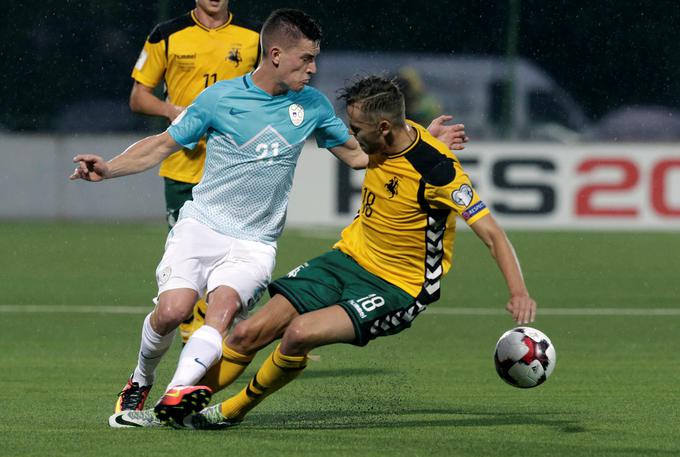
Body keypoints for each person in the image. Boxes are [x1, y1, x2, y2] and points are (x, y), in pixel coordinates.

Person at [70, 9, 468, 428]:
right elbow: (161, 145)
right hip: (201, 225)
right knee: (172, 312)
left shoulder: (311, 106)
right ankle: (141, 378)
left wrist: (416, 139)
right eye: (306, 59)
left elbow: (358, 155)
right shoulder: (219, 99)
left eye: (315, 59)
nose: (313, 69)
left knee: (220, 312)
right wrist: (109, 168)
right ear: (275, 54)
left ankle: (174, 399)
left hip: (254, 243)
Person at [117, 74, 537, 430]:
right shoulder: (383, 144)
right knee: (246, 333)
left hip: (400, 286)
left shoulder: (439, 170)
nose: (351, 136)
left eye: (357, 129)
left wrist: (518, 291)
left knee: (299, 334)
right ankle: (175, 406)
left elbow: (493, 234)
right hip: (345, 259)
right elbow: (403, 140)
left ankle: (229, 411)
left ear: (386, 127)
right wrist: (429, 134)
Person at [129, 0, 260, 359]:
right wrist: (173, 111)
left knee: (233, 259)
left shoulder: (254, 37)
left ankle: (210, 343)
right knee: (189, 263)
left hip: (235, 169)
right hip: (183, 170)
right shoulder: (167, 35)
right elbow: (139, 97)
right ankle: (196, 345)